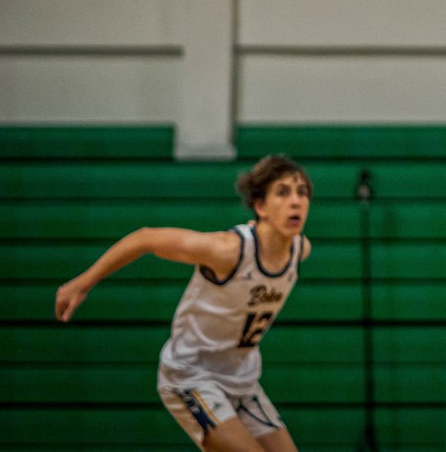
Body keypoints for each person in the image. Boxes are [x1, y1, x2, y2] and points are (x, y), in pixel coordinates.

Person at [55, 155, 312, 452]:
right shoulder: (228, 251)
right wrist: (84, 282)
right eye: (283, 192)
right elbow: (146, 238)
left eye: (302, 192)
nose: (296, 201)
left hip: (242, 380)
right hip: (191, 376)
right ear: (261, 207)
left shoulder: (299, 250)